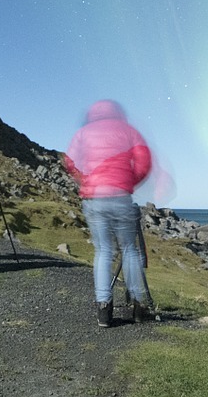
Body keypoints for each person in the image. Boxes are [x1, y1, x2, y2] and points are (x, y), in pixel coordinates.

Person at [63, 99, 153, 327]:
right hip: (120, 197)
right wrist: (128, 181)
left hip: (94, 199)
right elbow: (144, 163)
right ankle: (139, 306)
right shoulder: (129, 131)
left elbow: (70, 161)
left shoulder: (83, 133)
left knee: (103, 251)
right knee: (130, 250)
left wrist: (85, 181)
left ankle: (104, 309)